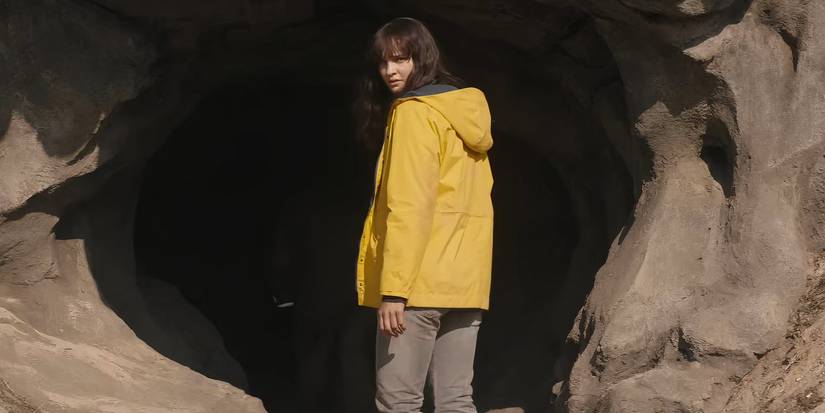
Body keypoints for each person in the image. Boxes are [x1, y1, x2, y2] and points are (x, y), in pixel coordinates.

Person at [353, 17, 495, 413]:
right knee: (457, 400)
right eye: (383, 62)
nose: (390, 71)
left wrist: (394, 291)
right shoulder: (467, 113)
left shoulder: (415, 114)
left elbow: (410, 205)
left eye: (401, 59)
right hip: (465, 285)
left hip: (416, 287)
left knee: (398, 401)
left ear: (423, 58)